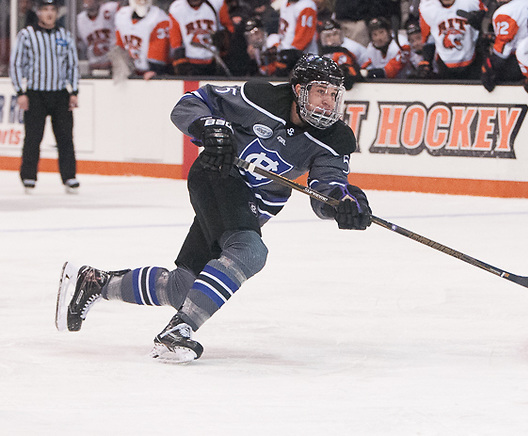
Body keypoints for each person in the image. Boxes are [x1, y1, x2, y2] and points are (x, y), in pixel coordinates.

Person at [56, 54, 372, 363]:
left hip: (251, 205)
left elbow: (327, 188)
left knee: (184, 289)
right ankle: (178, 331)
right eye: (320, 92)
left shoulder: (337, 138)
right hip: (217, 174)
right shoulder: (258, 97)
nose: (328, 103)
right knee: (249, 250)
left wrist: (343, 204)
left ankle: (96, 283)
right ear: (298, 89)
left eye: (333, 94)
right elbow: (190, 103)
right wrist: (207, 125)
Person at [10, 0, 80, 194]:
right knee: (33, 137)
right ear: (38, 13)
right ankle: (29, 176)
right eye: (45, 10)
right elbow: (16, 64)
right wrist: (20, 92)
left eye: (52, 10)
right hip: (35, 94)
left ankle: (69, 176)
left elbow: (72, 65)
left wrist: (74, 91)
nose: (49, 14)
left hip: (59, 94)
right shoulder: (26, 35)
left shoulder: (65, 35)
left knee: (65, 137)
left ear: (57, 13)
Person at [418, 0, 487, 80]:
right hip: (444, 64)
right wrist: (426, 60)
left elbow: (489, 24)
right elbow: (429, 38)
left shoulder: (471, 2)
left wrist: (481, 23)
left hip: (473, 62)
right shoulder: (427, 7)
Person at [481, 0, 528, 92]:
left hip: (520, 62)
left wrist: (488, 69)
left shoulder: (504, 12)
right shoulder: (527, 3)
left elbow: (503, 50)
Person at [169, 0, 234, 76]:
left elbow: (229, 28)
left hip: (215, 60)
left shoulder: (217, 3)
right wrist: (180, 62)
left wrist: (224, 39)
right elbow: (175, 41)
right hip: (190, 62)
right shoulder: (176, 8)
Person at [114, 0, 171, 79]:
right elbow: (120, 46)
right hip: (131, 71)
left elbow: (158, 51)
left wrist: (155, 69)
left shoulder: (159, 17)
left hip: (152, 72)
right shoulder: (121, 15)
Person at [318, 18, 366, 87]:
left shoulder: (348, 51)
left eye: (335, 34)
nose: (332, 38)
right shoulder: (319, 55)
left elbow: (355, 73)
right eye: (328, 36)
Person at [77, 0, 119, 72]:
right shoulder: (79, 19)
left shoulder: (110, 9)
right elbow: (80, 48)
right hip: (94, 66)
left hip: (114, 65)